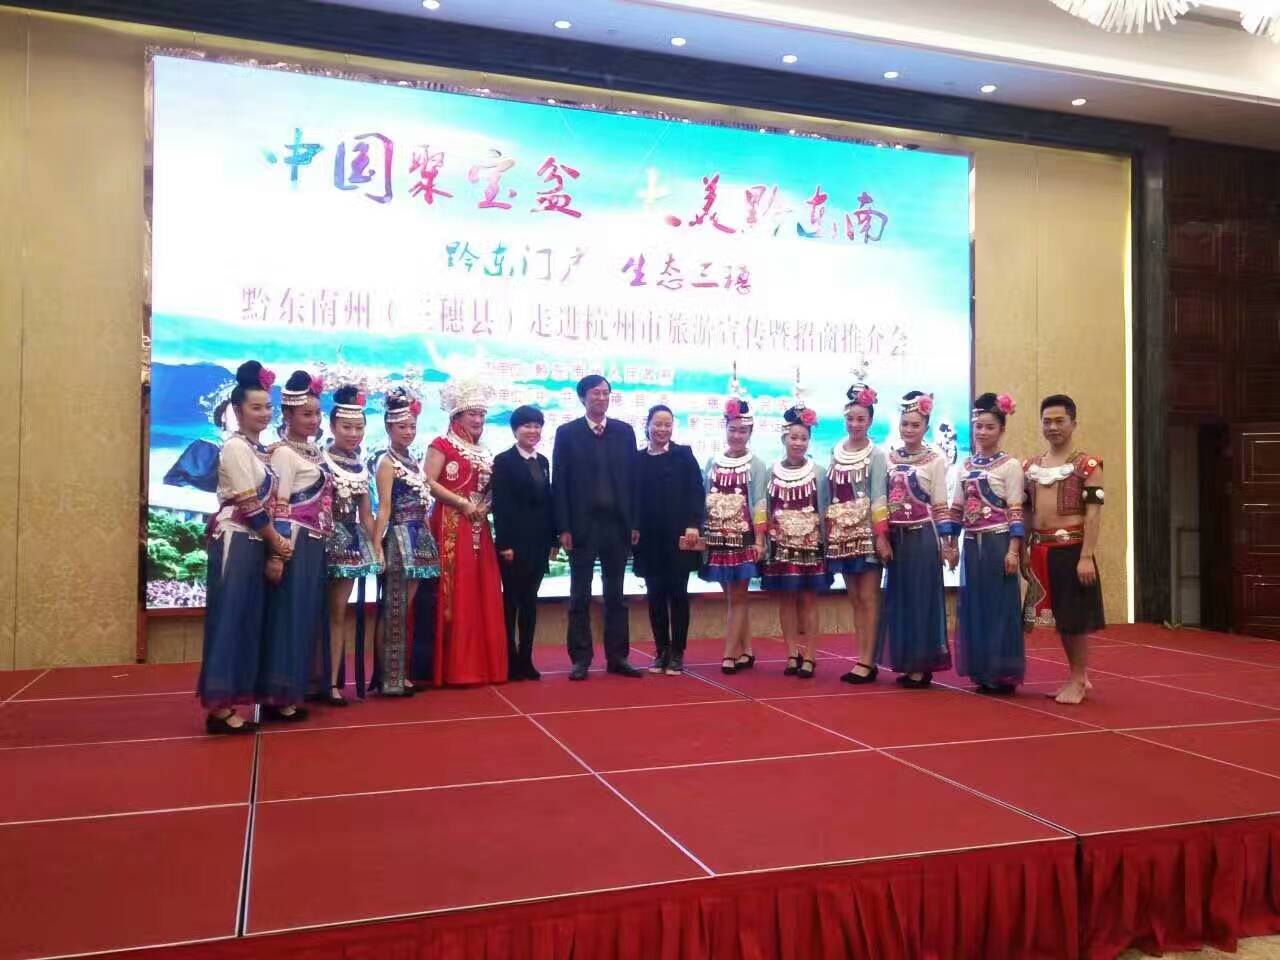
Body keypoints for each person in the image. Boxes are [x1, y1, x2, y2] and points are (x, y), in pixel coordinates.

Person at [197, 361, 294, 734]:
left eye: (268, 406)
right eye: (256, 407)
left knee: (246, 621)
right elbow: (249, 504)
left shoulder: (260, 450)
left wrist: (272, 544)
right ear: (237, 411)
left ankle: (230, 700)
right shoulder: (235, 447)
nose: (264, 413)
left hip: (253, 542)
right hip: (236, 538)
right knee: (230, 620)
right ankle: (219, 708)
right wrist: (278, 541)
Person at [552, 374, 644, 681]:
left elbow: (633, 481)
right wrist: (563, 527)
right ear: (583, 398)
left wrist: (634, 522)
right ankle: (580, 659)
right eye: (596, 393)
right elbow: (560, 482)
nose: (602, 398)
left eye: (606, 393)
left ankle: (618, 657)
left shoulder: (624, 431)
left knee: (616, 595)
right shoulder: (567, 433)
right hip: (582, 526)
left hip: (617, 525)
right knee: (579, 594)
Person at [425, 376, 508, 686]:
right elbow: (428, 482)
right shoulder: (441, 444)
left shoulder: (484, 450)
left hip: (478, 524)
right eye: (472, 414)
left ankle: (483, 666)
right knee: (456, 590)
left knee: (480, 588)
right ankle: (456, 668)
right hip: (450, 522)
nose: (478, 420)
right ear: (456, 415)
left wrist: (486, 505)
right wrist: (461, 503)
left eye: (482, 414)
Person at [261, 370, 333, 722]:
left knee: (305, 616)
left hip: (315, 542)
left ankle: (297, 688)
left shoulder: (314, 450)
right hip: (295, 542)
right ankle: (279, 695)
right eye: (306, 414)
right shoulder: (283, 454)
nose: (314, 420)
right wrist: (278, 554)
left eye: (317, 413)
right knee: (288, 616)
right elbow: (280, 504)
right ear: (287, 415)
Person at [1024, 394, 1106, 705]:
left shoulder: (1088, 466)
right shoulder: (1031, 466)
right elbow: (1027, 512)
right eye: (1047, 421)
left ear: (1073, 424)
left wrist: (1086, 556)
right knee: (1061, 618)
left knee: (1074, 619)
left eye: (1060, 421)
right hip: (1041, 550)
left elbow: (1093, 514)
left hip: (1072, 550)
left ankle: (1078, 678)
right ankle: (1077, 675)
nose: (1053, 427)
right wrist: (1024, 550)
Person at [876, 390, 957, 688]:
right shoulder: (888, 458)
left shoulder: (935, 460)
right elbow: (880, 501)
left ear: (926, 427)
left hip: (922, 537)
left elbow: (940, 504)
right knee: (900, 601)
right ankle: (906, 660)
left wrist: (948, 543)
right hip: (896, 539)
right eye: (905, 424)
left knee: (922, 600)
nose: (909, 429)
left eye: (915, 425)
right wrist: (881, 537)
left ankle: (922, 665)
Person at [951, 392, 1026, 694]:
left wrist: (1013, 550)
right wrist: (950, 544)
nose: (982, 432)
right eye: (978, 426)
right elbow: (957, 509)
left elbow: (1016, 510)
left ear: (1002, 429)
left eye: (989, 427)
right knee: (976, 607)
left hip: (998, 542)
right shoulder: (966, 465)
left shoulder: (1010, 466)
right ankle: (982, 670)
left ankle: (1002, 672)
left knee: (999, 608)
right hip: (971, 543)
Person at [371, 387, 439, 696]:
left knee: (404, 609)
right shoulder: (387, 463)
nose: (409, 432)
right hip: (399, 539)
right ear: (388, 427)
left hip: (418, 538)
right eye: (402, 427)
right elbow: (383, 508)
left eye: (412, 426)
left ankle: (399, 674)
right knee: (394, 608)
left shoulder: (411, 460)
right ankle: (390, 678)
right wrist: (376, 547)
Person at [701, 373, 768, 675]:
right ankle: (747, 650)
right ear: (725, 429)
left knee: (739, 595)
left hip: (744, 539)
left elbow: (760, 503)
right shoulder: (712, 462)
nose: (737, 435)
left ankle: (729, 654)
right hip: (718, 538)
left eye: (743, 431)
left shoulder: (757, 464)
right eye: (733, 429)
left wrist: (760, 540)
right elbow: (705, 498)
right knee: (731, 595)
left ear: (750, 432)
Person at [762, 395, 832, 679]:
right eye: (793, 437)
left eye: (803, 438)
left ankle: (811, 655)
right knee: (787, 600)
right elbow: (766, 509)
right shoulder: (771, 471)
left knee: (809, 600)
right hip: (781, 547)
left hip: (810, 546)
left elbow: (825, 510)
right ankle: (792, 653)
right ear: (784, 439)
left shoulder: (819, 472)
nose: (798, 443)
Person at [827, 378, 892, 685]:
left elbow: (879, 495)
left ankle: (869, 659)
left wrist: (881, 535)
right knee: (854, 597)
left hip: (867, 534)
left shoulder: (876, 454)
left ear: (870, 421)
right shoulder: (835, 450)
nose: (854, 424)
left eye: (861, 419)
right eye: (850, 418)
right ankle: (861, 656)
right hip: (842, 535)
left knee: (868, 597)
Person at [632, 404, 704, 676]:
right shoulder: (637, 459)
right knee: (655, 596)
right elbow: (632, 497)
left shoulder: (683, 455)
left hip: (679, 537)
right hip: (648, 538)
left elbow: (696, 492)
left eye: (667, 424)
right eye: (658, 424)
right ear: (648, 425)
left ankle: (677, 652)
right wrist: (632, 527)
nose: (662, 429)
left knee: (678, 595)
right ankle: (660, 650)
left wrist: (694, 524)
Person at [321, 384, 382, 704]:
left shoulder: (361, 467)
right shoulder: (319, 460)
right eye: (347, 427)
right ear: (332, 426)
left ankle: (332, 683)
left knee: (337, 612)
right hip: (317, 542)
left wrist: (377, 548)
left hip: (348, 546)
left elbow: (366, 515)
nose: (353, 434)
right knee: (309, 611)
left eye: (359, 428)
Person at [492, 405, 557, 681]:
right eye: (527, 426)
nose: (533, 431)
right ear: (515, 430)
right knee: (511, 602)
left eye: (537, 426)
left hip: (539, 543)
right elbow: (501, 505)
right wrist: (505, 544)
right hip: (514, 545)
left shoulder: (543, 461)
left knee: (530, 602)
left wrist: (553, 539)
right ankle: (509, 660)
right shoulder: (503, 461)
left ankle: (526, 659)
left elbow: (549, 504)